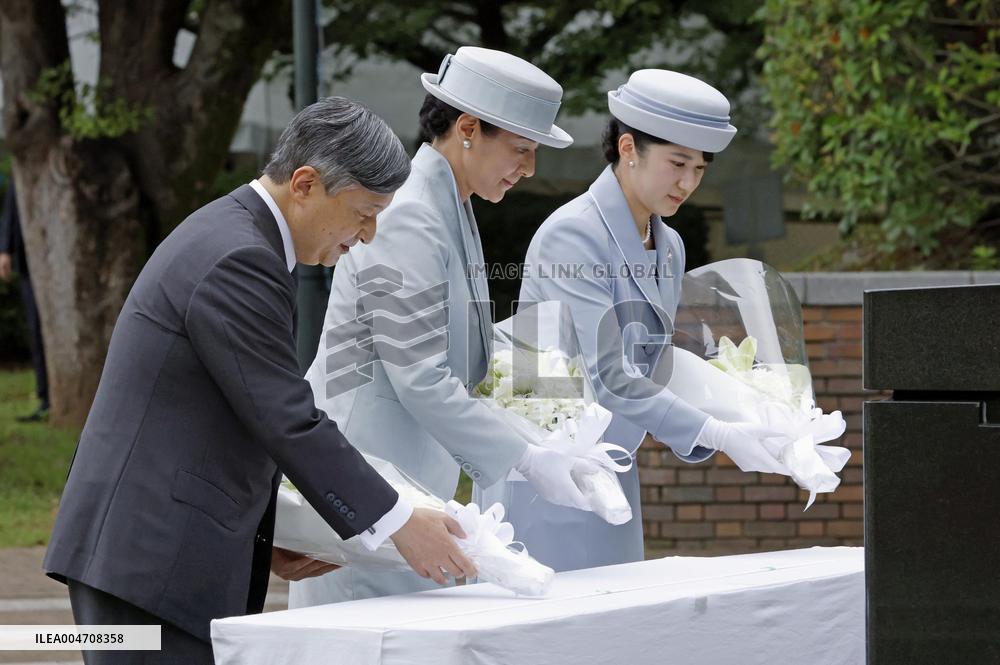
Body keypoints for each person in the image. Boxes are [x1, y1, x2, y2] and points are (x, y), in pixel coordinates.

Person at [43, 97, 476, 664]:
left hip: (150, 556)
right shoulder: (239, 258)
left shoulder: (242, 238)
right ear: (304, 184)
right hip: (147, 565)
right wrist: (397, 522)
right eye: (364, 213)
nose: (367, 235)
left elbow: (233, 414)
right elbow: (287, 418)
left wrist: (269, 538)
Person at [289, 47, 590, 607]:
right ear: (468, 128)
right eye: (522, 150)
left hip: (404, 476)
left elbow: (463, 341)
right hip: (366, 473)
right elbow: (420, 374)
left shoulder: (451, 203)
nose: (529, 169)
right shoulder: (412, 211)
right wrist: (527, 457)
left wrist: (556, 392)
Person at [480, 69, 785, 572]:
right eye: (677, 163)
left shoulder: (670, 244)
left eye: (701, 169)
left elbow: (655, 363)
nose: (688, 183)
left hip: (615, 466)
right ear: (627, 149)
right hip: (549, 474)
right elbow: (610, 375)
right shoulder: (572, 236)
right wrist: (716, 432)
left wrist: (743, 411)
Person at [0, 176, 50, 421]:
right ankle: (45, 397)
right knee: (36, 330)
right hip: (28, 264)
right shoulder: (21, 170)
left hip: (54, 262)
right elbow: (11, 208)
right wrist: (5, 249)